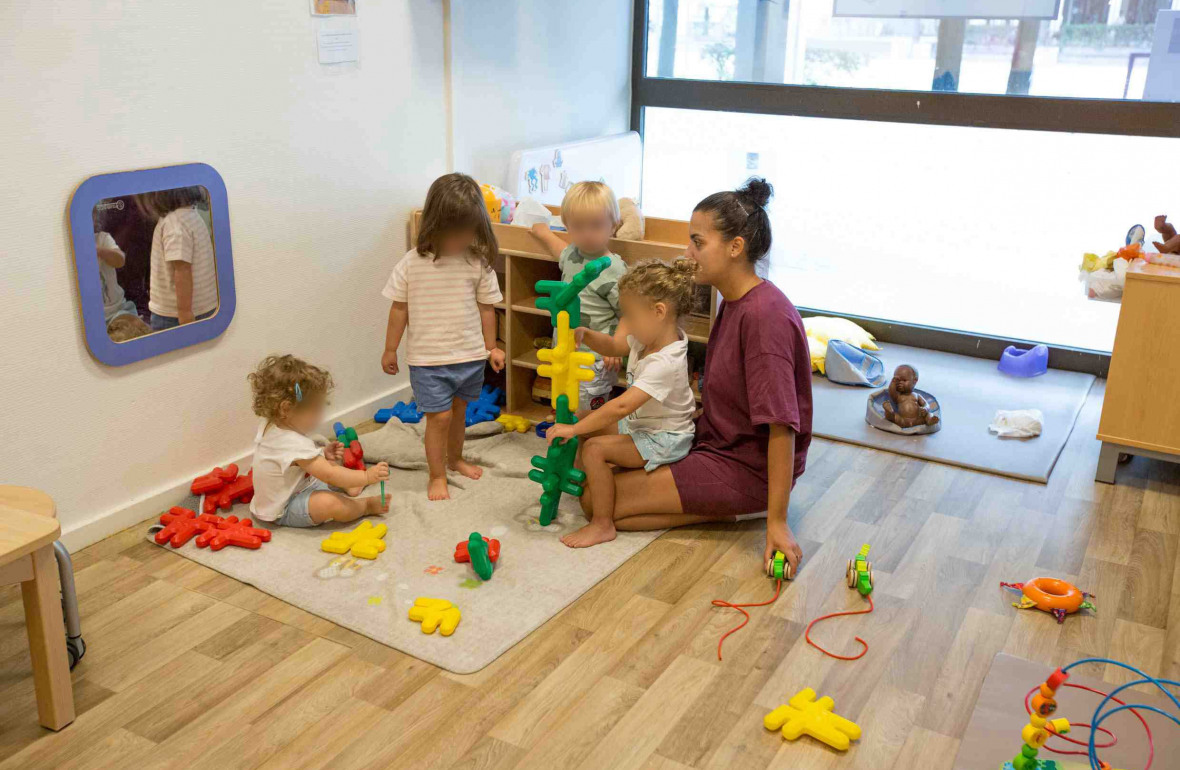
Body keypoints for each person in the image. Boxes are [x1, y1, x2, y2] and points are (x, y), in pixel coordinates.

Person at [577, 178, 812, 575]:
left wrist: (777, 520)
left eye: (697, 242)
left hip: (745, 469)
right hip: (713, 443)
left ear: (736, 247)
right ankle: (716, 506)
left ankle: (737, 511)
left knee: (595, 503)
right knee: (593, 478)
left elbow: (781, 427)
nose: (688, 252)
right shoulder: (735, 302)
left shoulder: (763, 317)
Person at [545, 259, 699, 548]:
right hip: (642, 425)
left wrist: (573, 431)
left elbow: (620, 407)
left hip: (664, 439)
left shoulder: (666, 362)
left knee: (593, 447)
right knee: (581, 419)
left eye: (629, 315)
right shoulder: (649, 338)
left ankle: (602, 524)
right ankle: (588, 482)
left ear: (658, 312)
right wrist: (587, 335)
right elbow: (615, 346)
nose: (624, 322)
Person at [381, 173, 506, 500]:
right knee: (440, 417)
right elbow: (399, 310)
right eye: (456, 232)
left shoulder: (476, 263)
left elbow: (487, 309)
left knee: (459, 413)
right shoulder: (412, 264)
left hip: (468, 358)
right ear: (436, 224)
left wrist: (491, 347)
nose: (462, 239)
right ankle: (436, 475)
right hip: (428, 361)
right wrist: (390, 349)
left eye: (469, 231)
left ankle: (456, 459)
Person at [248, 355, 390, 527]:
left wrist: (322, 452)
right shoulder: (291, 443)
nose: (320, 416)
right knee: (329, 502)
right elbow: (329, 474)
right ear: (286, 409)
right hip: (284, 507)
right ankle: (364, 506)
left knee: (327, 465)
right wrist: (367, 476)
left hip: (298, 484)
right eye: (315, 410)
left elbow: (293, 461)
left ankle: (350, 485)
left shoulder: (271, 424)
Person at [529, 181, 628, 413]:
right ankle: (570, 438)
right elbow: (559, 250)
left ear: (613, 225)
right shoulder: (573, 253)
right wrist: (542, 232)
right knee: (565, 402)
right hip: (564, 351)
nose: (587, 235)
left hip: (594, 359)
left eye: (596, 226)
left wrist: (613, 348)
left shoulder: (614, 268)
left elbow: (628, 314)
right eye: (578, 227)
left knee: (587, 413)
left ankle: (587, 445)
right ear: (567, 226)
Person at [140, 187, 219, 331]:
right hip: (204, 306)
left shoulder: (175, 223)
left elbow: (182, 269)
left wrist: (185, 313)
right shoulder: (191, 214)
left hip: (175, 315)